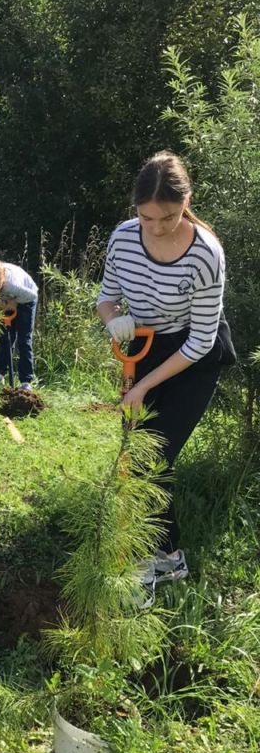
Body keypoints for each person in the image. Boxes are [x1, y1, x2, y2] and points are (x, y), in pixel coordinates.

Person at [97, 151, 236, 597]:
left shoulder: (206, 254)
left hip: (193, 358)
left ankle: (168, 559)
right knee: (134, 453)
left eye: (169, 217)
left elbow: (201, 340)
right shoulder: (122, 239)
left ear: (187, 201)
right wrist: (111, 319)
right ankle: (139, 543)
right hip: (145, 348)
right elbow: (108, 296)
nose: (156, 227)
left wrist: (142, 386)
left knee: (152, 460)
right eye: (146, 217)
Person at [0, 257, 38, 390]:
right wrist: (4, 305)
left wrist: (13, 303)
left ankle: (25, 382)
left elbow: (33, 295)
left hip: (26, 299)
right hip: (5, 301)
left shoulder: (13, 284)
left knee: (24, 340)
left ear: (2, 280)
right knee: (5, 338)